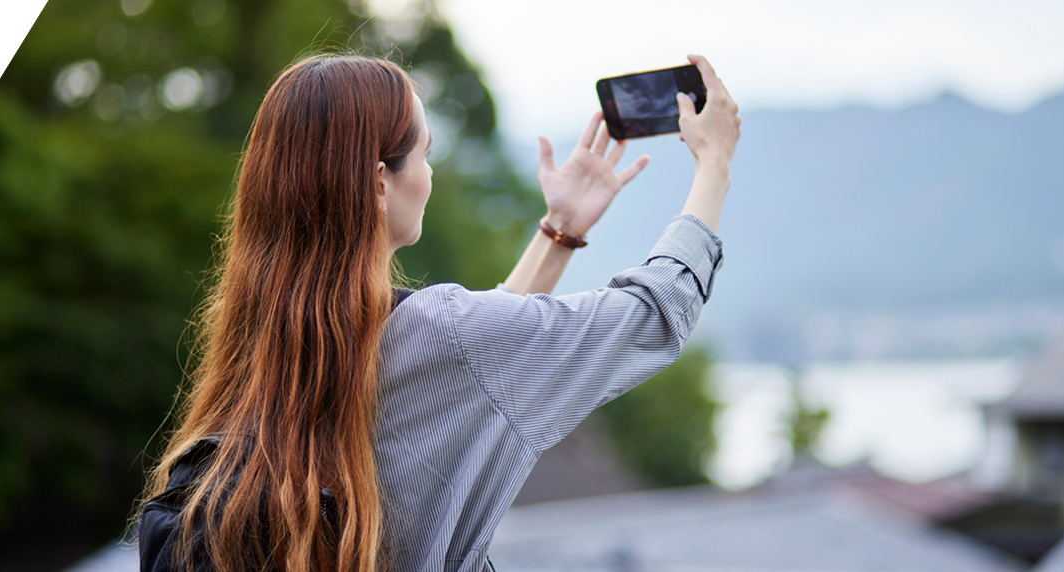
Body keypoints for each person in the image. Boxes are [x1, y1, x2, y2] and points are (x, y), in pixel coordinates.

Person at [137, 52, 740, 572]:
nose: (430, 173)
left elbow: (468, 366)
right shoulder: (439, 335)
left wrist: (558, 233)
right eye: (424, 154)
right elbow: (653, 314)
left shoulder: (266, 347)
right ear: (379, 182)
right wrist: (713, 164)